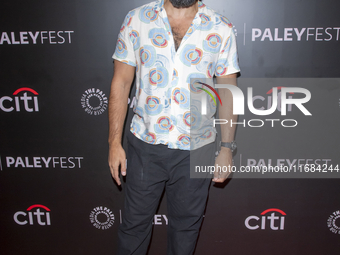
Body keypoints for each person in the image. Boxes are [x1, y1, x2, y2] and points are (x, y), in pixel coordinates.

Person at [108, 0, 240, 254]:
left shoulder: (221, 28)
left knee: (185, 231)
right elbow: (121, 82)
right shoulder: (137, 19)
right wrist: (114, 143)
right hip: (145, 146)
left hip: (197, 147)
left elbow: (228, 91)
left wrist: (226, 148)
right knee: (133, 227)